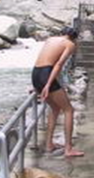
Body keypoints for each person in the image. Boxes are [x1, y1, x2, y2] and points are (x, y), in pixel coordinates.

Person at [32, 27, 84, 157]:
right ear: (74, 37)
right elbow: (59, 64)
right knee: (69, 110)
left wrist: (38, 84)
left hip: (36, 73)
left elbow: (42, 59)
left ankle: (49, 144)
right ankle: (68, 149)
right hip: (46, 74)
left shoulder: (50, 39)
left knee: (55, 108)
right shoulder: (70, 44)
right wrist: (48, 84)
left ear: (62, 33)